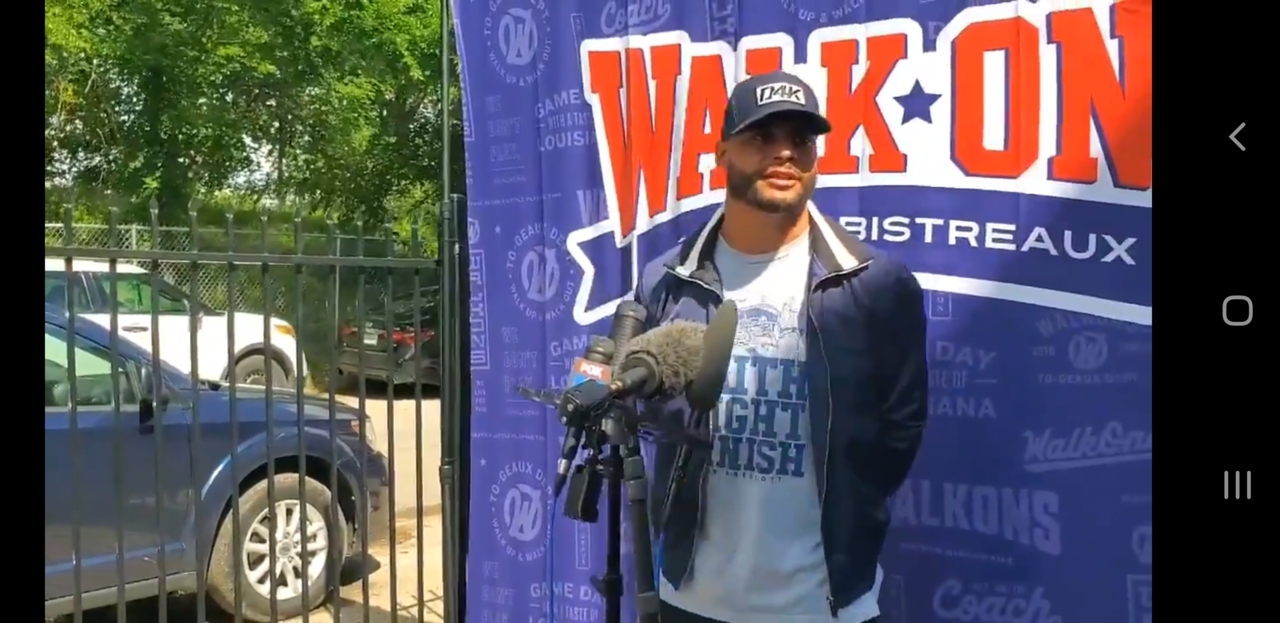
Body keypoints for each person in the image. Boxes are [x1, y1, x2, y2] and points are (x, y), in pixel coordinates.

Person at [634, 70, 929, 623]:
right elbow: (642, 407)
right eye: (761, 137)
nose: (784, 152)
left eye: (801, 139)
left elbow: (901, 428)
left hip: (827, 605)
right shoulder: (667, 279)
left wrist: (853, 501)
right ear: (722, 151)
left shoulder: (876, 286)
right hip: (691, 597)